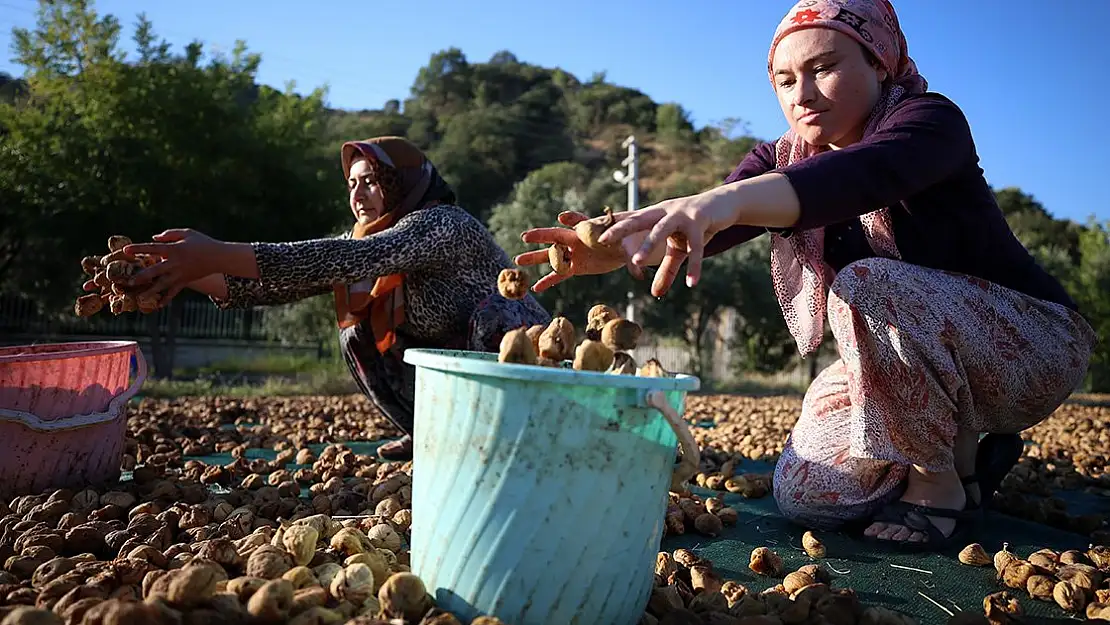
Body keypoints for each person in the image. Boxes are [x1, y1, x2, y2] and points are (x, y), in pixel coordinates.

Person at [517, 0, 1096, 550]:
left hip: (1029, 346)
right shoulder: (779, 159)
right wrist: (619, 244)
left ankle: (935, 481)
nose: (804, 95)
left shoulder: (929, 122)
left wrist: (728, 204)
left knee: (867, 284)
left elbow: (858, 178)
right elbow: (715, 213)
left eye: (824, 68)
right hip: (908, 361)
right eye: (785, 81)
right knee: (810, 495)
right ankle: (965, 455)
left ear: (879, 61)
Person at [117, 136, 551, 461]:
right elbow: (281, 282)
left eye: (372, 181)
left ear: (402, 182)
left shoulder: (442, 223)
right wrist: (180, 272)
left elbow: (341, 258)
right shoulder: (373, 235)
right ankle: (430, 435)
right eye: (351, 184)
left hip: (525, 368)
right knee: (358, 331)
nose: (358, 195)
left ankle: (517, 441)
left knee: (495, 314)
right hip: (454, 360)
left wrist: (214, 252)